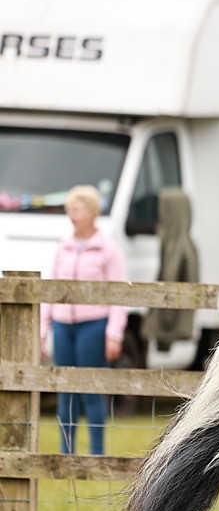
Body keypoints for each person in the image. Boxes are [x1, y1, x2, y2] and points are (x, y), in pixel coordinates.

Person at [40, 185, 128, 455]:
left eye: (75, 210)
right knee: (64, 389)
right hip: (63, 326)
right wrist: (44, 328)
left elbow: (120, 293)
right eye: (69, 209)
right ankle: (66, 452)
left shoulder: (108, 250)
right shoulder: (62, 248)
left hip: (93, 326)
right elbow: (50, 289)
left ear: (91, 213)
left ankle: (96, 453)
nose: (71, 215)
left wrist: (114, 333)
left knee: (91, 389)